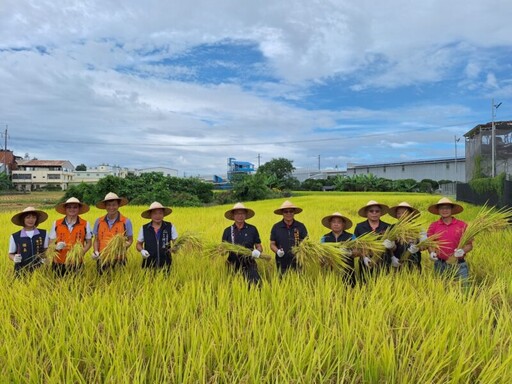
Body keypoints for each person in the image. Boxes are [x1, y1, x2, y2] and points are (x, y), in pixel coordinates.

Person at [427, 197, 472, 285]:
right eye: (442, 208)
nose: (444, 210)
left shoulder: (462, 225)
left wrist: (463, 250)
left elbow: (469, 245)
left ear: (452, 210)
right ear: (438, 210)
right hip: (440, 264)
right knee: (442, 291)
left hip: (459, 265)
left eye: (447, 208)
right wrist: (431, 253)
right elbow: (430, 244)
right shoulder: (434, 226)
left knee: (464, 290)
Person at [49, 197, 92, 276]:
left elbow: (89, 243)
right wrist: (56, 247)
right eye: (69, 207)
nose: (72, 209)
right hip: (58, 262)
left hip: (77, 262)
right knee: (58, 286)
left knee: (77, 285)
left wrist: (81, 252)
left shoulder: (85, 224)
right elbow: (50, 243)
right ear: (65, 209)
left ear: (79, 209)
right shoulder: (56, 223)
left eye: (75, 207)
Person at [222, 202, 263, 287]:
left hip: (250, 264)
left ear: (245, 215)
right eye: (237, 213)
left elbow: (259, 246)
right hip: (232, 265)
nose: (240, 216)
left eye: (242, 213)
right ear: (233, 216)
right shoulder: (228, 231)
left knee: (255, 288)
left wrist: (257, 252)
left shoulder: (252, 229)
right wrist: (220, 250)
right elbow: (223, 249)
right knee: (233, 290)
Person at [92, 192, 133, 274]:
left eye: (114, 205)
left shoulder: (126, 221)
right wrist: (96, 251)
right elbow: (96, 240)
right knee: (102, 283)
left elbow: (130, 240)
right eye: (109, 205)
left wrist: (122, 247)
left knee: (119, 284)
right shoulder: (99, 221)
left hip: (119, 259)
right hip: (102, 258)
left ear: (118, 205)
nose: (111, 207)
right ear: (105, 207)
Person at [353, 200, 393, 281]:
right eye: (371, 211)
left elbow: (394, 247)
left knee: (384, 285)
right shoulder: (359, 227)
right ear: (367, 213)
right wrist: (364, 257)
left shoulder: (388, 227)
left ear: (380, 213)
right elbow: (356, 245)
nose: (374, 213)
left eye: (377, 211)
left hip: (384, 261)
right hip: (366, 262)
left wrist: (392, 245)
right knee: (365, 287)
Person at [136, 202, 177, 272]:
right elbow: (138, 244)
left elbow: (177, 243)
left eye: (160, 213)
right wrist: (142, 250)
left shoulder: (170, 226)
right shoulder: (144, 228)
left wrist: (174, 248)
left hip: (166, 264)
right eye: (154, 213)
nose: (158, 216)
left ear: (163, 214)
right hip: (148, 266)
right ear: (150, 215)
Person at [8, 206, 49, 275]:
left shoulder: (44, 233)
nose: (31, 220)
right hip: (21, 270)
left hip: (39, 270)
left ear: (36, 219)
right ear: (23, 219)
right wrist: (14, 258)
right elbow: (10, 254)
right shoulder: (15, 236)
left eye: (34, 217)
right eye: (28, 217)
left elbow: (46, 250)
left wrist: (46, 258)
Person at [270, 200, 308, 275]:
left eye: (291, 211)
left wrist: (301, 250)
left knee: (299, 283)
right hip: (282, 262)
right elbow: (272, 244)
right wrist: (277, 251)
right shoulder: (276, 227)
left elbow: (306, 243)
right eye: (286, 212)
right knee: (283, 283)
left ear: (294, 213)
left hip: (298, 262)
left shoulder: (301, 226)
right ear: (282, 213)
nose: (288, 214)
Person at [320, 212, 356, 287]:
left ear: (343, 224)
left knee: (349, 295)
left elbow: (359, 251)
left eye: (339, 222)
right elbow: (320, 254)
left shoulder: (351, 237)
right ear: (330, 224)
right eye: (333, 222)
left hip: (348, 272)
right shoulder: (325, 238)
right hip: (330, 273)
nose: (336, 224)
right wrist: (323, 258)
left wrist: (349, 252)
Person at [387, 202, 422, 272]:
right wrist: (392, 257)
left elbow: (424, 246)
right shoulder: (392, 228)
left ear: (410, 214)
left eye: (404, 213)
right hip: (397, 262)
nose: (401, 215)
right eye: (398, 213)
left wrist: (417, 247)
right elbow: (390, 247)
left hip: (414, 262)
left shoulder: (418, 228)